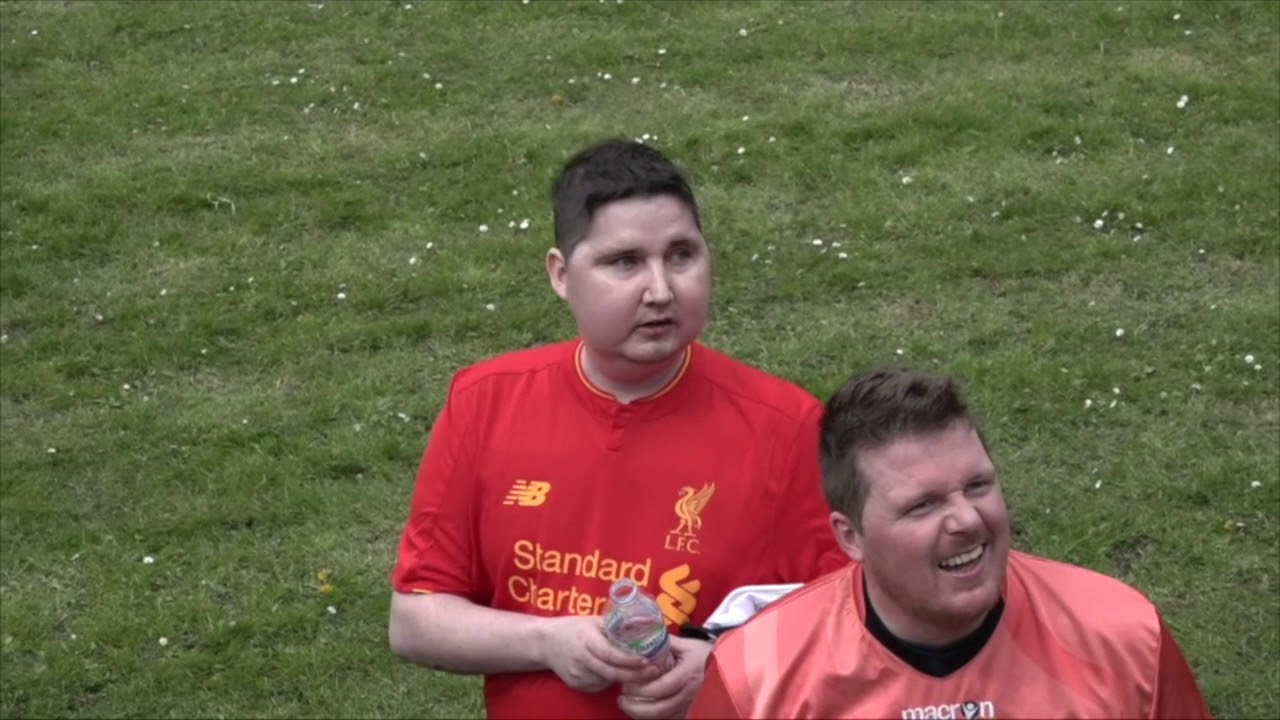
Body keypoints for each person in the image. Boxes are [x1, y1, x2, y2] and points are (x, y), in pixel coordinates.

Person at [388, 139, 846, 719]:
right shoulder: (485, 402)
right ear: (561, 275)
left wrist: (727, 665)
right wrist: (547, 642)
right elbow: (415, 621)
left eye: (681, 255)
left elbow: (857, 614)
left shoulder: (786, 425)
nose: (661, 289)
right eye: (625, 262)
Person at [688, 367, 1212, 719]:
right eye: (923, 505)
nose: (967, 519)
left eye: (978, 486)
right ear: (851, 537)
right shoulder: (758, 675)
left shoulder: (1123, 636)